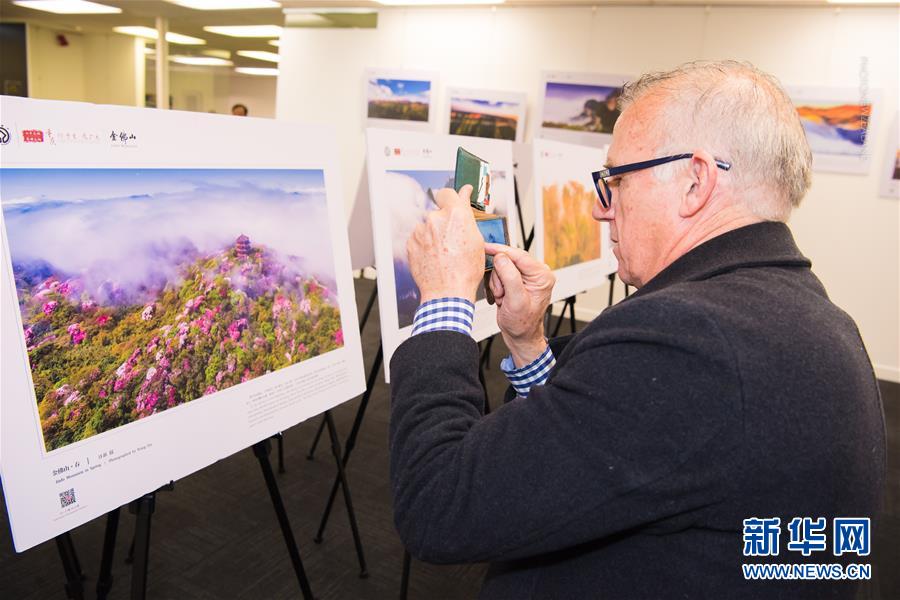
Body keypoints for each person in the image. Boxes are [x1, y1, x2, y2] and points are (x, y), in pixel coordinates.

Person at [389, 61, 885, 599]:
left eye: (616, 180)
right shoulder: (817, 318)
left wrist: (443, 299)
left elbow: (438, 504)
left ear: (695, 181)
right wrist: (530, 341)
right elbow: (610, 449)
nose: (603, 211)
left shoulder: (687, 337)